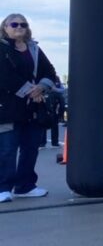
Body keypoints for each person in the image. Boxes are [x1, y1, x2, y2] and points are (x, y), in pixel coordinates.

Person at [0, 13, 59, 201]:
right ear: (5, 27)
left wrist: (42, 87)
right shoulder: (1, 48)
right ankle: (3, 188)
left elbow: (49, 71)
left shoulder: (34, 49)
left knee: (30, 146)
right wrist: (29, 90)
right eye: (14, 24)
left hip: (33, 107)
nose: (19, 27)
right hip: (8, 108)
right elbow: (4, 76)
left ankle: (25, 186)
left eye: (23, 24)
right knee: (7, 149)